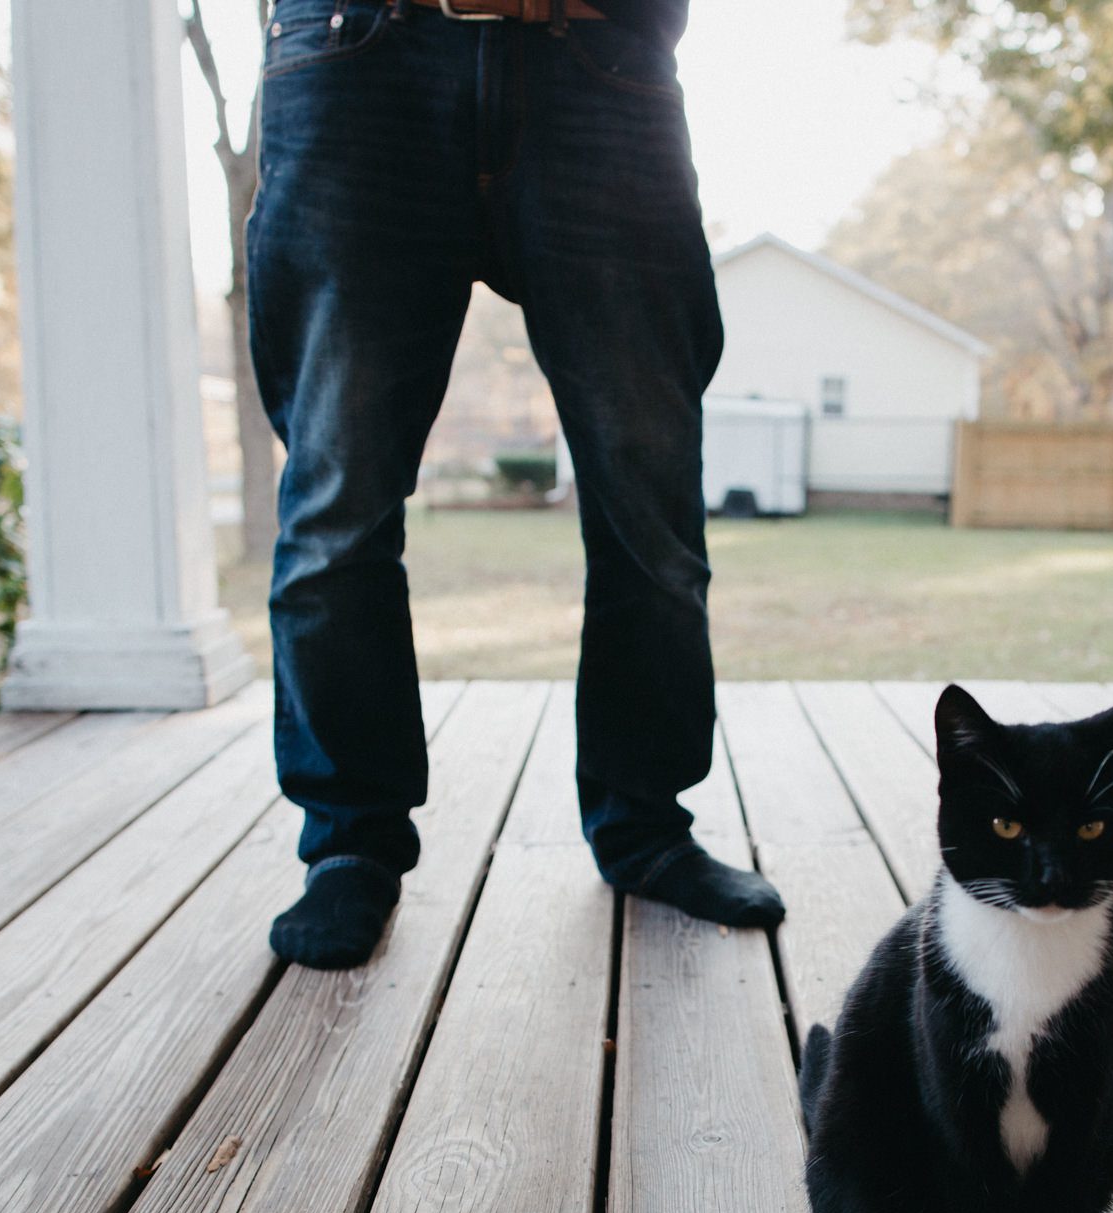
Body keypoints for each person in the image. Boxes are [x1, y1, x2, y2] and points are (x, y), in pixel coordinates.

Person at [249, 0, 783, 969]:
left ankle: (645, 823)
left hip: (602, 54)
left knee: (649, 497)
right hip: (359, 47)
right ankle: (348, 847)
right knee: (336, 500)